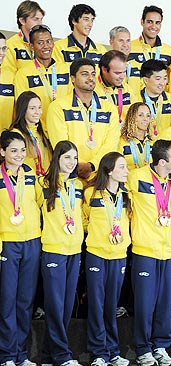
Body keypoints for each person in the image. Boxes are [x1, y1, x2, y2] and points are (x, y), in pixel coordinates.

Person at [127, 139, 171, 366]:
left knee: (166, 304)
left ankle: (160, 346)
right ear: (161, 162)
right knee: (145, 304)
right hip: (144, 250)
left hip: (168, 251)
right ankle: (143, 348)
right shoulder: (135, 177)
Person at [82, 152, 131, 366]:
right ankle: (98, 353)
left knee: (111, 306)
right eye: (122, 167)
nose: (126, 171)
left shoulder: (127, 195)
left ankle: (113, 351)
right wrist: (98, 232)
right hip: (96, 254)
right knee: (96, 304)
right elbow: (84, 219)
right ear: (109, 170)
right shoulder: (90, 194)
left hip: (119, 255)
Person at [39, 140, 84, 366]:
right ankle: (62, 355)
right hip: (53, 251)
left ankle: (48, 355)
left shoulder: (77, 186)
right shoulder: (42, 184)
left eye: (75, 158)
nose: (71, 162)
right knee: (55, 305)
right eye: (67, 157)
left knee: (66, 306)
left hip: (74, 250)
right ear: (56, 158)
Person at [0, 131, 42, 366]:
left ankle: (21, 354)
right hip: (8, 243)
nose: (19, 155)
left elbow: (38, 203)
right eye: (13, 150)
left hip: (32, 241)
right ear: (2, 152)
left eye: (22, 151)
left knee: (25, 301)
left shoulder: (31, 174)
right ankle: (7, 354)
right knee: (7, 300)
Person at [46, 58, 120, 181]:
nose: (90, 78)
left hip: (100, 175)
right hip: (69, 175)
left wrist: (92, 165)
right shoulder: (58, 107)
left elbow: (111, 144)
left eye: (93, 74)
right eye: (84, 74)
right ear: (73, 78)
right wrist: (77, 165)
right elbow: (61, 144)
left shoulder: (109, 109)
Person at [13, 24, 72, 122]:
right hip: (37, 131)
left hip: (62, 129)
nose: (46, 46)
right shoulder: (23, 74)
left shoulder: (66, 70)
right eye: (40, 43)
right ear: (31, 46)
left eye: (49, 41)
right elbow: (22, 109)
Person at [10, 91, 52, 175]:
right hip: (29, 181)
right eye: (32, 108)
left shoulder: (43, 131)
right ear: (23, 110)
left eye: (39, 107)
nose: (38, 112)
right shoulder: (16, 134)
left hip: (45, 179)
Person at [138, 59, 171, 136]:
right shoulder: (136, 99)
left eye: (165, 78)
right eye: (158, 79)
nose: (162, 83)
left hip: (165, 145)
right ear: (145, 80)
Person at [2, 1, 45, 77]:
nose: (40, 24)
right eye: (36, 19)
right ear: (22, 21)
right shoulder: (10, 45)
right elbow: (7, 75)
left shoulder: (45, 44)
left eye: (41, 19)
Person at [128, 5, 171, 74]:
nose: (153, 26)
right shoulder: (128, 47)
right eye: (150, 22)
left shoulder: (169, 51)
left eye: (157, 23)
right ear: (142, 22)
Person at [96, 50, 138, 124]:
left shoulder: (127, 89)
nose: (122, 77)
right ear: (104, 70)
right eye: (117, 73)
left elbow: (137, 113)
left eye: (124, 72)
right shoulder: (92, 90)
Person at [119, 102, 154, 170]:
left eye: (148, 116)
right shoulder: (121, 142)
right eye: (140, 115)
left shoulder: (153, 143)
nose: (145, 119)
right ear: (132, 117)